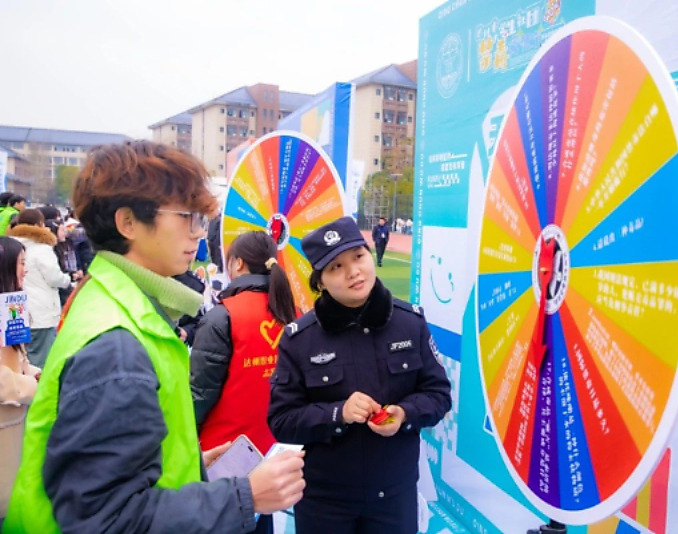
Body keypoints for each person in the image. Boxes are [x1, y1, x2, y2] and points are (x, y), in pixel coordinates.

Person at [3, 140, 305, 533]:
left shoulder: (115, 302)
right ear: (128, 223)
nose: (199, 233)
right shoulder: (117, 344)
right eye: (187, 217)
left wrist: (190, 467)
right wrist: (243, 497)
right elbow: (106, 519)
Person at [268, 216, 451, 534]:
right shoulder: (299, 339)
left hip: (394, 498)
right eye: (336, 267)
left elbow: (438, 396)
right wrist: (337, 413)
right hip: (324, 503)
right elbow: (282, 420)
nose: (353, 271)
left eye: (358, 256)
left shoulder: (410, 323)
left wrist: (404, 413)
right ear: (320, 282)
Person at [192, 230, 296, 454]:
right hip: (282, 449)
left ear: (238, 263)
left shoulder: (223, 316)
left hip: (224, 451)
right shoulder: (294, 313)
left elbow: (200, 394)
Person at [0, 237, 39, 523]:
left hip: (14, 421)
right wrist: (33, 386)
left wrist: (32, 371)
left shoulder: (11, 306)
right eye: (21, 263)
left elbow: (16, 357)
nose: (26, 270)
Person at [7, 209, 73, 367]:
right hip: (41, 312)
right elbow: (54, 277)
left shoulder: (10, 246)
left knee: (19, 358)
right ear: (39, 225)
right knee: (41, 359)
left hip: (14, 310)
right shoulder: (41, 248)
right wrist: (67, 280)